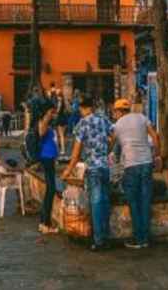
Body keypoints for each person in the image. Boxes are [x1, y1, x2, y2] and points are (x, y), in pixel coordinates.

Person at [62, 96, 114, 251]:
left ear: (83, 108)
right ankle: (106, 236)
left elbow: (76, 152)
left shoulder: (82, 124)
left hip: (93, 168)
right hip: (105, 167)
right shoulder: (103, 119)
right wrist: (107, 150)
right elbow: (114, 136)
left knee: (96, 204)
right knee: (105, 202)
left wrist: (68, 170)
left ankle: (99, 241)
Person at [111, 98, 158, 250]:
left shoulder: (117, 125)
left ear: (119, 111)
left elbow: (111, 144)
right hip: (146, 163)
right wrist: (157, 155)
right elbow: (155, 137)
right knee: (145, 201)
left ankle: (139, 238)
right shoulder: (142, 117)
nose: (114, 115)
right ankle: (146, 238)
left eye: (115, 112)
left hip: (131, 166)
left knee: (134, 202)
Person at [34, 106, 60, 235]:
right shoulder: (42, 124)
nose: (53, 114)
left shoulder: (47, 124)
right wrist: (47, 117)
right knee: (50, 190)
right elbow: (41, 133)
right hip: (47, 158)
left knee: (50, 190)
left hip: (50, 158)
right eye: (51, 111)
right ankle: (45, 224)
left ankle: (43, 222)